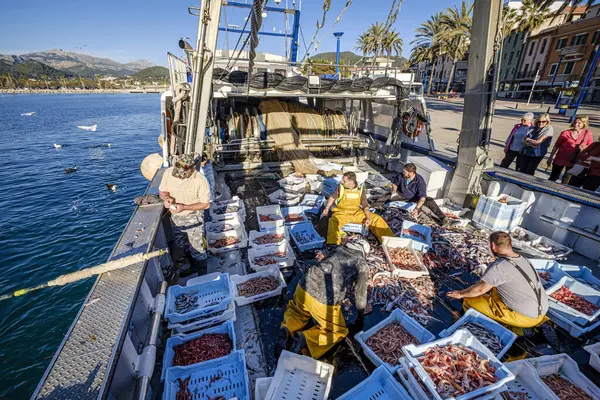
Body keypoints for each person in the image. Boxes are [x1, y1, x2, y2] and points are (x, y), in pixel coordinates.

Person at [276, 238, 370, 359]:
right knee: (338, 331)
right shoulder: (362, 264)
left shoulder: (339, 249)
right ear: (365, 253)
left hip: (304, 285)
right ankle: (305, 339)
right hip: (323, 298)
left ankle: (286, 329)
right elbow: (360, 296)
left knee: (297, 312)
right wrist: (361, 314)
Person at [447, 231, 549, 335]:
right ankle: (536, 324)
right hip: (542, 312)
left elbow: (480, 289)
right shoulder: (524, 259)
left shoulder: (499, 266)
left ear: (492, 245)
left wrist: (460, 294)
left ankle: (517, 330)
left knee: (469, 300)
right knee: (495, 287)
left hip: (525, 318)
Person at [159, 154, 212, 261]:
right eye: (177, 174)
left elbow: (206, 204)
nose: (179, 176)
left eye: (183, 174)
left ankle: (201, 267)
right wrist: (166, 198)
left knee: (197, 247)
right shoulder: (168, 173)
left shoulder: (201, 181)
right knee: (181, 244)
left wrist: (184, 207)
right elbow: (162, 191)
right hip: (175, 217)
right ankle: (189, 263)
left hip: (194, 217)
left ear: (192, 169)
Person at [322, 171, 394, 245]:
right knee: (333, 221)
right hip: (342, 213)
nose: (342, 182)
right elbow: (332, 197)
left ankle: (390, 242)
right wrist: (327, 208)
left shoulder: (360, 188)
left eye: (344, 181)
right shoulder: (340, 187)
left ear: (351, 181)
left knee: (376, 219)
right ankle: (333, 244)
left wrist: (368, 218)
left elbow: (365, 205)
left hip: (356, 213)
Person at [391, 163, 456, 225]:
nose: (403, 173)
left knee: (429, 200)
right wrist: (394, 191)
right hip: (401, 196)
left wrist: (417, 208)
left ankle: (444, 219)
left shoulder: (420, 181)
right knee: (385, 198)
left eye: (405, 172)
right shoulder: (401, 176)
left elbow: (422, 197)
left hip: (414, 198)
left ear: (411, 173)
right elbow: (395, 184)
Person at [546, 116, 593, 182]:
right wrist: (551, 157)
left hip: (574, 160)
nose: (576, 124)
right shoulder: (565, 133)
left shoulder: (587, 133)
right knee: (553, 177)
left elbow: (591, 147)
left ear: (584, 124)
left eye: (579, 123)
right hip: (560, 159)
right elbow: (556, 146)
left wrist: (584, 147)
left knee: (566, 180)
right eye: (575, 122)